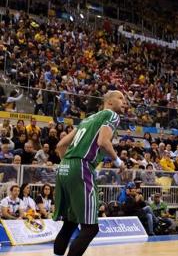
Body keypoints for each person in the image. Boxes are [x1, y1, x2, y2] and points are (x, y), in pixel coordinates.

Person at [52, 91, 127, 256]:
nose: (124, 102)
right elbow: (103, 142)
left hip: (64, 167)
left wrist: (69, 164)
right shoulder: (112, 115)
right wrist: (118, 162)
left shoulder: (87, 119)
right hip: (82, 167)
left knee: (70, 223)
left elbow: (60, 145)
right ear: (109, 101)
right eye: (121, 98)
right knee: (91, 228)